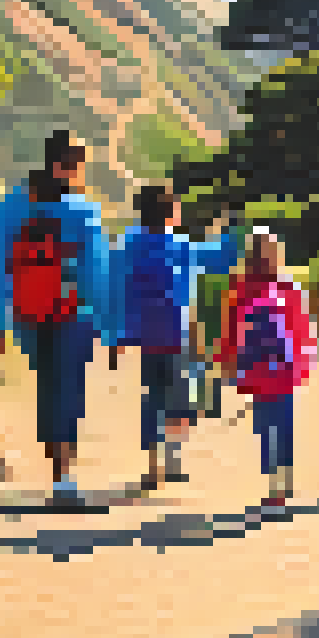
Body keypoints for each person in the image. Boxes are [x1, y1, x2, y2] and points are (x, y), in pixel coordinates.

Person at [0, 130, 111, 508]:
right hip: (73, 313)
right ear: (71, 166)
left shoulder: (14, 202)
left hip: (28, 313)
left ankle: (57, 474)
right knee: (68, 390)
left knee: (48, 388)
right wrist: (106, 322)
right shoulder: (83, 209)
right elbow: (96, 271)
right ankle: (64, 480)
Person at [106, 186, 240, 490]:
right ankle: (173, 460)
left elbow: (115, 290)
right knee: (180, 400)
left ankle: (154, 467)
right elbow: (221, 259)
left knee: (154, 398)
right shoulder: (180, 245)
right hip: (178, 336)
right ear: (170, 213)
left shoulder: (128, 244)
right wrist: (228, 228)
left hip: (146, 335)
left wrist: (115, 337)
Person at [216, 228, 319, 509]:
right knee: (276, 427)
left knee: (270, 428)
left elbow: (231, 331)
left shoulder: (244, 288)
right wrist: (304, 364)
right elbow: (302, 331)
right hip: (276, 372)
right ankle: (280, 484)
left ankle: (277, 485)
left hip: (264, 372)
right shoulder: (283, 287)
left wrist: (226, 364)